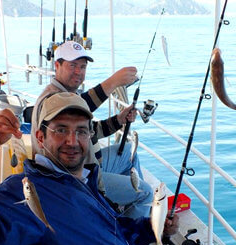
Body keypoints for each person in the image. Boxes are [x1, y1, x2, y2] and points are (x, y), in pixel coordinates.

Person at [0, 92, 219, 245]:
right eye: (61, 130)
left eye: (81, 131)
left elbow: (114, 234)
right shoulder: (26, 193)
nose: (72, 141)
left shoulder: (81, 181)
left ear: (90, 136)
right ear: (40, 136)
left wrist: (154, 228)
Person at [31, 40, 152, 219]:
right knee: (147, 193)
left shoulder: (71, 94)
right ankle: (127, 236)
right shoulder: (52, 98)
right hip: (77, 178)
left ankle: (122, 212)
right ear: (57, 65)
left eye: (83, 66)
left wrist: (119, 120)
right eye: (72, 65)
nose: (79, 72)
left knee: (129, 153)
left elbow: (91, 130)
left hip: (93, 163)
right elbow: (80, 104)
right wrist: (113, 82)